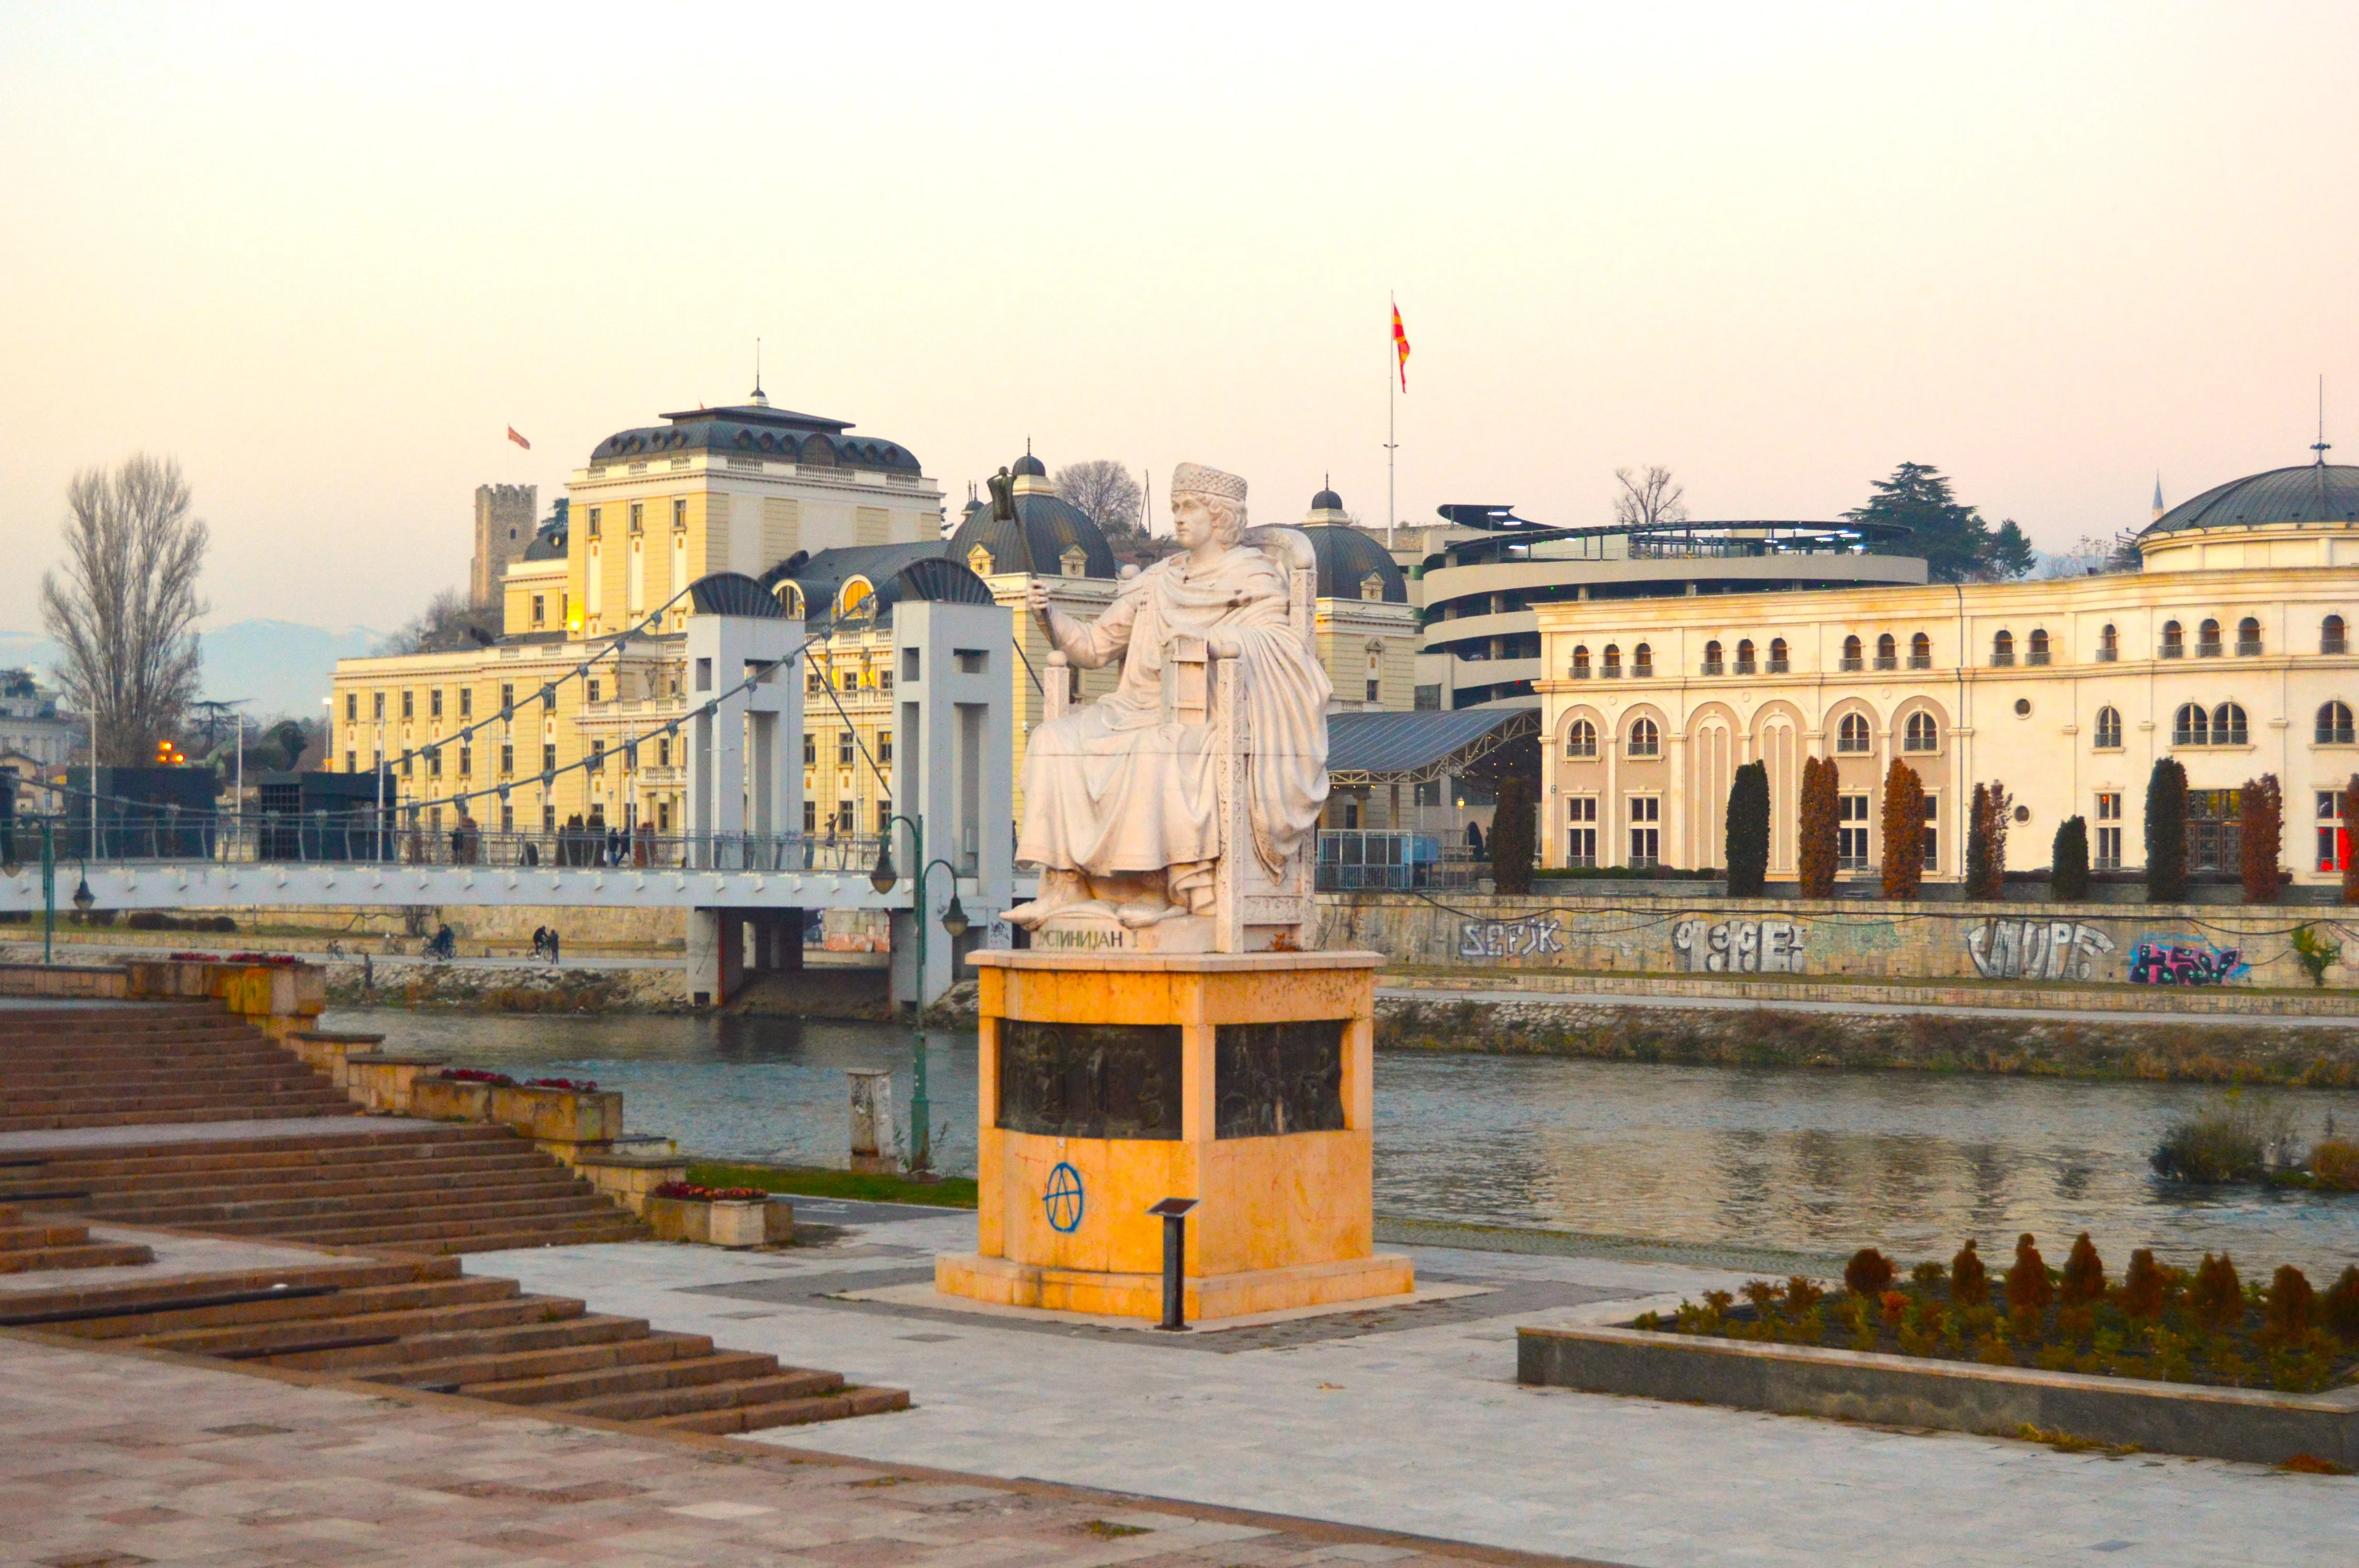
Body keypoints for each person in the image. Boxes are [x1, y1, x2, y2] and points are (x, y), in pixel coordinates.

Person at [1005, 462, 1329, 930]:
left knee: (1156, 747)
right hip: (1131, 708)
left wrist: (1214, 642)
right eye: (1175, 506)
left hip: (1204, 713)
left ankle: (1156, 890)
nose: (1178, 517)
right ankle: (1065, 884)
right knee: (1051, 740)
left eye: (1189, 507)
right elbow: (1094, 647)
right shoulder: (1156, 581)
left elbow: (1282, 647)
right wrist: (1048, 615)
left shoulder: (1253, 578)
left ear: (1219, 515)